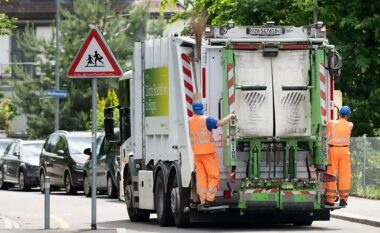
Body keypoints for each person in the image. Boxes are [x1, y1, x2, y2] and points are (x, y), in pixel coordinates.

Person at [188, 101, 236, 207]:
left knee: (202, 178)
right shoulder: (206, 120)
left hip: (197, 154)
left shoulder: (190, 121)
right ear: (202, 109)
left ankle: (203, 200)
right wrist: (231, 116)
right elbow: (220, 123)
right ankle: (210, 199)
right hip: (208, 154)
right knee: (213, 176)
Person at [325, 106, 353, 207]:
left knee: (331, 173)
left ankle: (330, 200)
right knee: (344, 175)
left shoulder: (331, 123)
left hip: (333, 150)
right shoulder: (350, 125)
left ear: (339, 114)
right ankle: (343, 199)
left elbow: (324, 133)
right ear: (348, 115)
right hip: (345, 151)